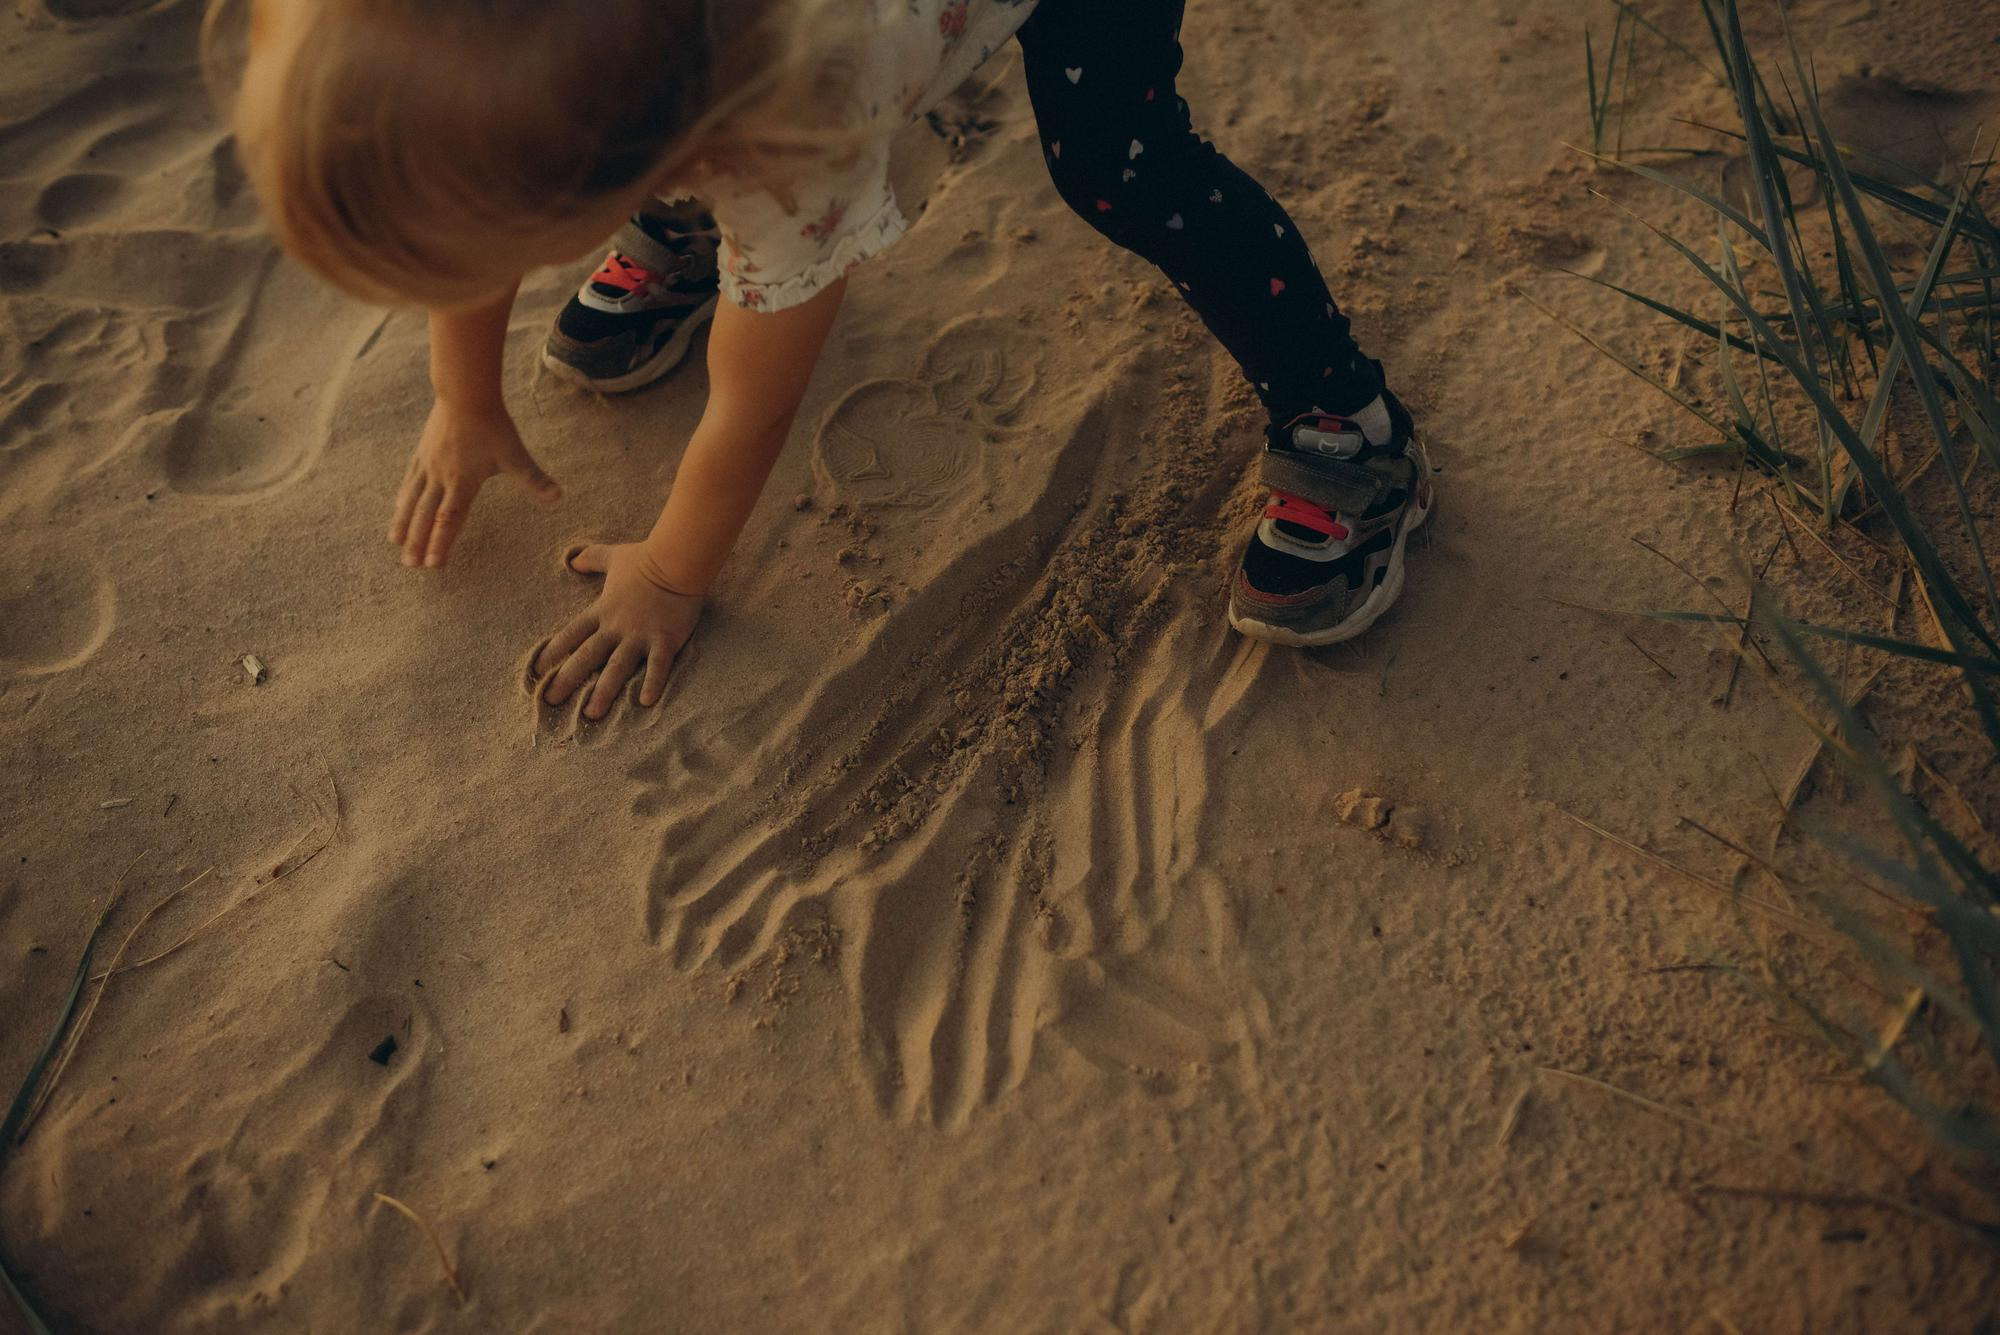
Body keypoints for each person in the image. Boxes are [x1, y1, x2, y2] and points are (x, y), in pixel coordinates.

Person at [221, 0, 1434, 720]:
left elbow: (755, 398)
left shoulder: (802, 119)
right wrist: (460, 395)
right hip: (673, 73)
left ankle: (1350, 428)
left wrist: (670, 574)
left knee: (1122, 166)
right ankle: (674, 210)